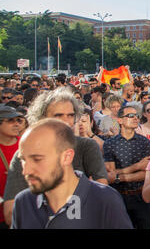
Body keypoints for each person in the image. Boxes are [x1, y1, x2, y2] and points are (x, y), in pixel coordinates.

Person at [2, 87, 108, 227]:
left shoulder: (86, 147)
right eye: (58, 115)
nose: (66, 121)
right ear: (42, 118)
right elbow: (11, 214)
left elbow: (101, 196)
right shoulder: (23, 154)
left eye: (70, 115)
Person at [11, 119, 133, 229]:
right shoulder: (23, 202)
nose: (26, 171)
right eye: (23, 160)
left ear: (67, 157)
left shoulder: (105, 200)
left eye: (37, 159)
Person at [103, 105, 150, 229]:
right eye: (131, 116)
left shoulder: (144, 142)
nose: (135, 118)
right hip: (118, 197)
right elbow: (110, 175)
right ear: (120, 120)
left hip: (141, 197)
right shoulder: (110, 144)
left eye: (137, 115)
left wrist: (119, 177)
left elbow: (145, 173)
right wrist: (137, 166)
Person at [0, 106, 23, 229]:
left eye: (18, 120)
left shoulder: (27, 144)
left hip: (24, 212)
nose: (16, 124)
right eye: (10, 121)